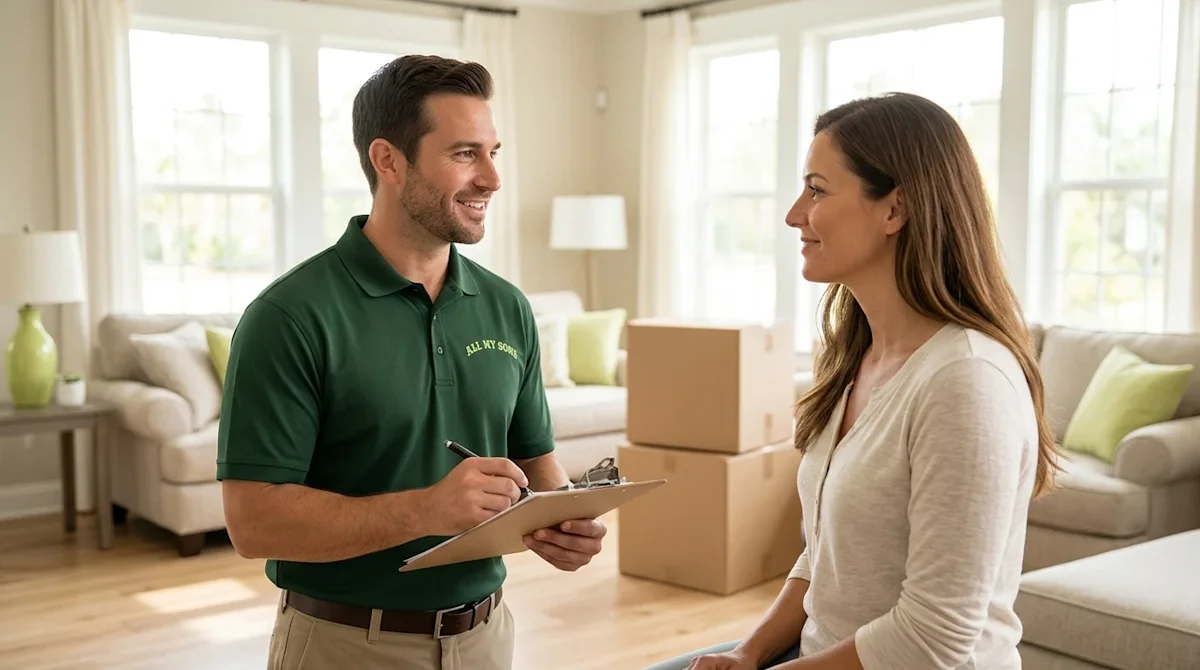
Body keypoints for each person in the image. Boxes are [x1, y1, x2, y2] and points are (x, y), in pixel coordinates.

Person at [215, 54, 606, 670]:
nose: (492, 179)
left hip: (488, 636)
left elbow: (537, 463)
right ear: (387, 160)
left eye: (493, 152)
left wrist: (563, 520)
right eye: (463, 154)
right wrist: (427, 508)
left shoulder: (507, 308)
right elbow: (252, 523)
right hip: (343, 645)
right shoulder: (289, 316)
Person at [647, 92, 1061, 670]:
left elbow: (932, 643)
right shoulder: (858, 357)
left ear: (894, 210)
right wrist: (746, 655)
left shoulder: (967, 382)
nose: (795, 214)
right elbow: (825, 557)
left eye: (817, 189)